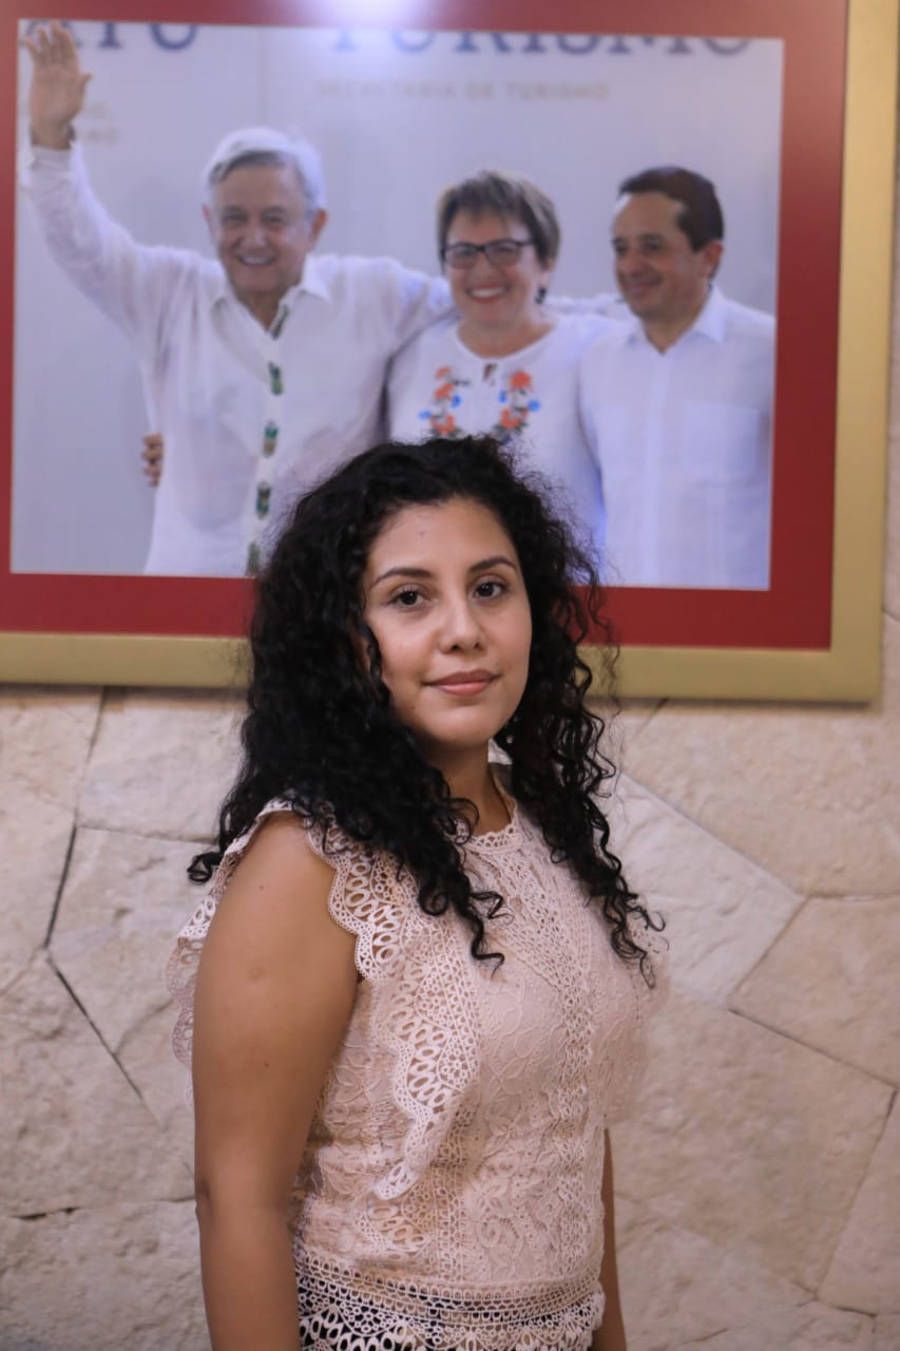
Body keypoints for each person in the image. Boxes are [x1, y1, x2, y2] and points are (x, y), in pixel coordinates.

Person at [166, 435, 665, 1351]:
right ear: (342, 637)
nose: (464, 629)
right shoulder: (308, 860)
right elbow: (234, 1197)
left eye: (491, 587)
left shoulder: (546, 831)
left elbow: (573, 1131)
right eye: (409, 597)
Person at [21, 22, 450, 578]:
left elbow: (489, 306)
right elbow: (81, 243)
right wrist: (51, 137)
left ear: (315, 225)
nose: (253, 238)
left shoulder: (373, 294)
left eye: (275, 219)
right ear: (209, 221)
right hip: (184, 595)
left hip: (321, 602)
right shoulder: (169, 294)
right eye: (234, 218)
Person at [388, 171, 615, 555]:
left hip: (562, 585)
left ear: (545, 261)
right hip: (432, 583)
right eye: (463, 252)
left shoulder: (591, 351)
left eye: (504, 249)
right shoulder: (412, 356)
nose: (483, 270)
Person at [579, 166, 776, 589]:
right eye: (620, 248)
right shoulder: (597, 362)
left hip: (743, 620)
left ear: (710, 257)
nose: (631, 265)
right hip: (626, 619)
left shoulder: (773, 352)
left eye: (652, 246)